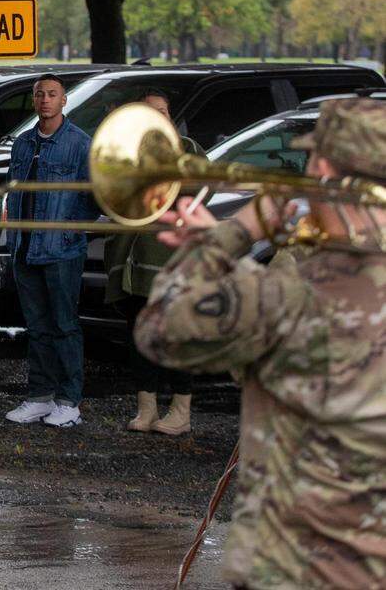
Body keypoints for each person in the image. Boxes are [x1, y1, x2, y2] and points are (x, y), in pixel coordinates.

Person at [135, 98, 386, 589]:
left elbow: (161, 330)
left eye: (315, 161)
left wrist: (235, 236)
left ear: (330, 173)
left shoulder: (298, 290)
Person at [104, 90, 205, 435]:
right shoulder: (126, 150)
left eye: (162, 111)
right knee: (140, 337)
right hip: (133, 262)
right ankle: (146, 409)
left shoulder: (188, 149)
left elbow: (196, 193)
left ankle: (181, 412)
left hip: (171, 259)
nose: (156, 117)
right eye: (149, 112)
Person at [3, 74, 96, 428]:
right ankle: (39, 396)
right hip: (25, 247)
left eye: (52, 94)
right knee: (36, 326)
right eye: (40, 94)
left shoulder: (79, 144)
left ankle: (68, 400)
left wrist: (69, 229)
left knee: (64, 325)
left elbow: (93, 198)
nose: (45, 99)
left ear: (63, 101)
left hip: (61, 251)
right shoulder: (23, 143)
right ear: (33, 100)